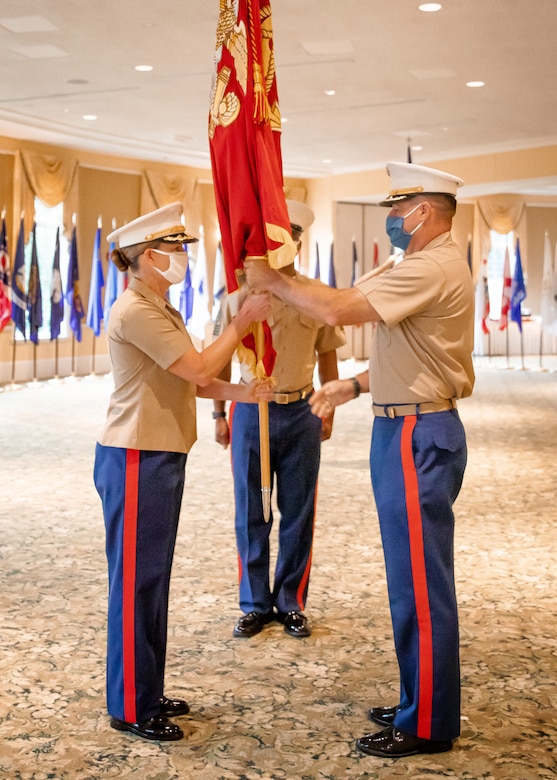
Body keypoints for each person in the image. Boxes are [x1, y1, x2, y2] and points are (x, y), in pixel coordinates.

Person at [244, 163, 475, 758]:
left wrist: (274, 279)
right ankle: (417, 697)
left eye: (400, 209)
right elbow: (415, 353)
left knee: (420, 585)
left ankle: (427, 723)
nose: (393, 219)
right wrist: (352, 385)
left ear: (426, 210)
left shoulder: (431, 264)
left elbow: (339, 309)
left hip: (416, 432)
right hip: (410, 421)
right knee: (411, 579)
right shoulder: (425, 265)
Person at [94, 202, 272, 742]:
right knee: (135, 584)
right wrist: (240, 323)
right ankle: (130, 705)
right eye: (176, 249)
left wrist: (241, 392)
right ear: (149, 256)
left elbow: (191, 381)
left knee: (153, 578)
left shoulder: (160, 305)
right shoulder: (137, 311)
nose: (183, 258)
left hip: (159, 453)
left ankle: (146, 688)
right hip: (135, 456)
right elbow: (196, 366)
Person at [212, 200, 346, 640]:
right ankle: (253, 603)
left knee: (298, 511)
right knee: (251, 511)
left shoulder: (315, 296)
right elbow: (221, 359)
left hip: (302, 409)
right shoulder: (238, 297)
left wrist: (328, 403)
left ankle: (290, 601)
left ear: (299, 244)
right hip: (251, 412)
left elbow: (327, 352)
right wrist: (218, 414)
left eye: (289, 241)